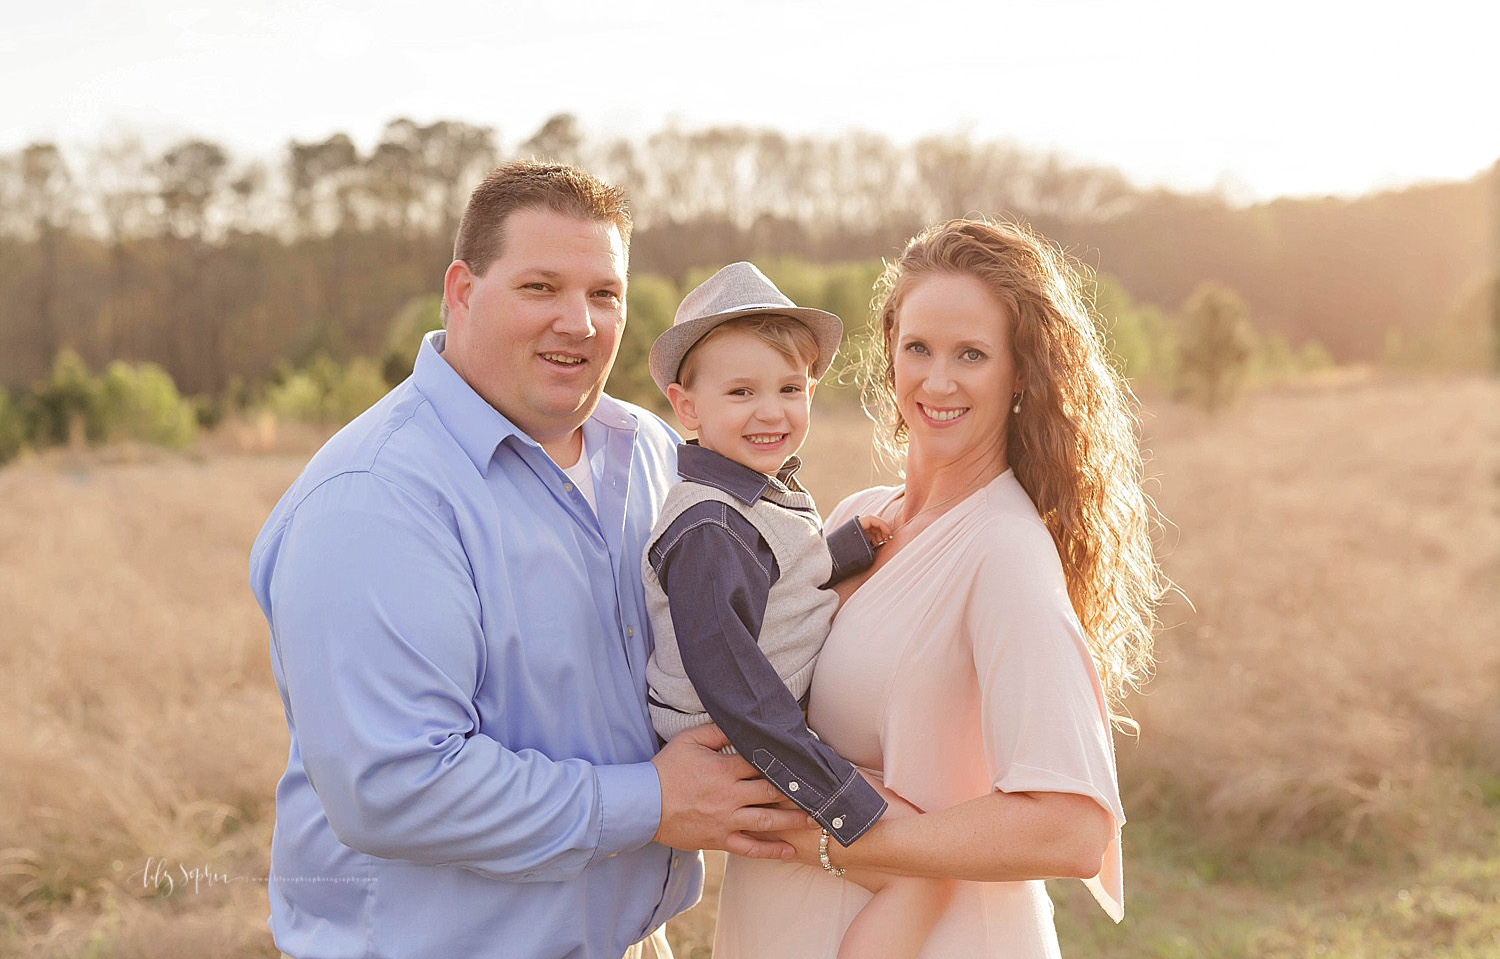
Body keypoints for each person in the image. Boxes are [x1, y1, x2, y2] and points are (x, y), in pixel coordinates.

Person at [248, 162, 814, 959]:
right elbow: (395, 788)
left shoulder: (652, 454)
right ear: (462, 291)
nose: (579, 323)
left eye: (604, 294)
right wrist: (649, 802)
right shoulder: (375, 498)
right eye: (540, 288)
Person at [712, 217, 1165, 958]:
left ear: (1022, 374)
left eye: (972, 355)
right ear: (889, 352)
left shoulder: (1004, 551)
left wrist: (850, 842)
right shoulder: (862, 516)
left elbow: (1071, 826)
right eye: (917, 347)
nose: (938, 379)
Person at [641, 261, 953, 959]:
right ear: (687, 407)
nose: (771, 411)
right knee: (918, 872)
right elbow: (736, 686)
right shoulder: (707, 530)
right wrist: (835, 793)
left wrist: (843, 551)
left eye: (789, 389)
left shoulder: (757, 497)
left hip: (762, 740)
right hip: (735, 752)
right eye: (741, 391)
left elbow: (776, 584)